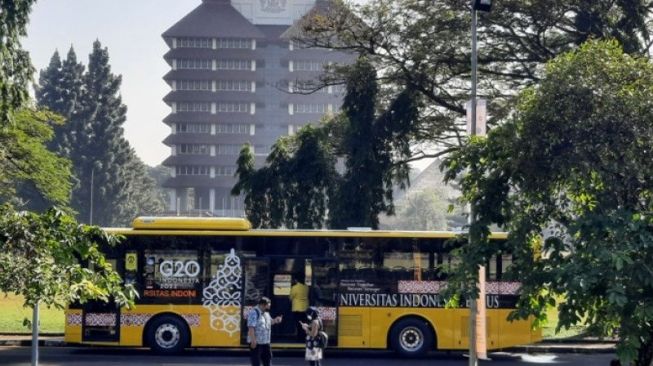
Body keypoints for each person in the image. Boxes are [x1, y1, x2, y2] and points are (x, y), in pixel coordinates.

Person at [247, 296, 282, 366]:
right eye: (268, 305)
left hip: (266, 342)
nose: (269, 307)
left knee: (268, 361)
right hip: (257, 343)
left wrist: (276, 320)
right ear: (263, 305)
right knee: (256, 362)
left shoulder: (266, 313)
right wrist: (253, 340)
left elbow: (270, 322)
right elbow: (251, 327)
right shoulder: (254, 312)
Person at [289, 273, 309, 340]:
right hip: (305, 308)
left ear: (296, 280)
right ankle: (304, 336)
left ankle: (299, 337)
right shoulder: (306, 287)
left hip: (297, 308)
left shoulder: (294, 287)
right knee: (304, 323)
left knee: (298, 323)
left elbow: (290, 297)